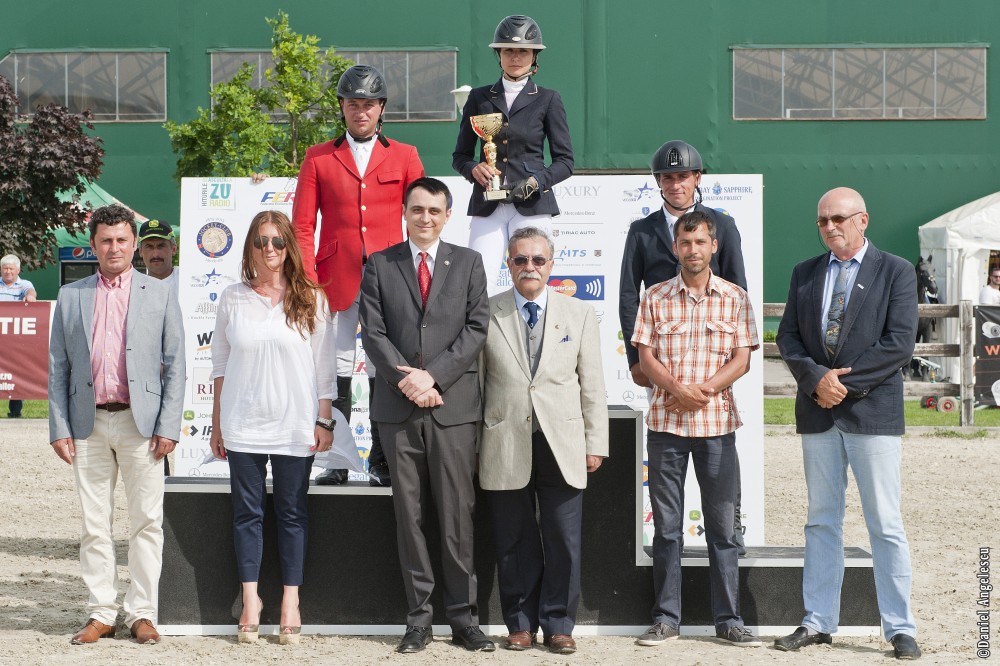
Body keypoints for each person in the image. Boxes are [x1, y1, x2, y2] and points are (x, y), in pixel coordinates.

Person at [775, 187, 921, 660]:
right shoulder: (804, 273)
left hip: (872, 414)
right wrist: (815, 380)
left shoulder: (895, 271)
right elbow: (788, 338)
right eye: (822, 220)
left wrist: (840, 385)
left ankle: (899, 628)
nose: (830, 227)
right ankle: (817, 622)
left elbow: (899, 343)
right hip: (818, 413)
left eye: (838, 218)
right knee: (821, 521)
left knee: (885, 523)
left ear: (863, 220)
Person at [359, 177, 492, 654]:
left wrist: (432, 378)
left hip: (452, 409)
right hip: (398, 411)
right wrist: (409, 383)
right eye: (417, 209)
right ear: (404, 212)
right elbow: (373, 333)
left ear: (447, 216)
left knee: (457, 518)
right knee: (409, 518)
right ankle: (419, 620)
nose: (425, 218)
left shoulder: (469, 263)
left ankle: (463, 619)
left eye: (434, 211)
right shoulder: (380, 264)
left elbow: (477, 328)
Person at [48, 203, 185, 645]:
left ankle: (142, 613)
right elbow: (59, 365)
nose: (114, 247)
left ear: (134, 245)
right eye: (106, 240)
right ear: (93, 245)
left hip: (142, 425)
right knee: (94, 524)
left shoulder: (159, 293)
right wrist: (59, 426)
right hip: (87, 425)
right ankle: (102, 612)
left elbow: (176, 364)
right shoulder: (72, 296)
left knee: (146, 522)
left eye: (122, 239)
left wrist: (168, 425)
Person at [631, 210, 761, 648]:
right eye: (685, 243)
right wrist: (676, 390)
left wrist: (700, 392)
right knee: (667, 528)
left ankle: (729, 620)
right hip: (666, 427)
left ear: (714, 246)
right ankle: (666, 619)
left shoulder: (736, 298)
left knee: (722, 529)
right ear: (675, 247)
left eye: (700, 242)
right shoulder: (654, 297)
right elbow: (645, 358)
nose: (693, 250)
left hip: (716, 426)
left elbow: (742, 359)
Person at [293, 64, 424, 487]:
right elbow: (302, 226)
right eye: (353, 103)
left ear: (381, 107)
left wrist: (417, 273)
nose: (360, 111)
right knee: (336, 368)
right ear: (342, 108)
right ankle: (336, 458)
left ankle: (382, 459)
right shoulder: (317, 157)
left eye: (368, 104)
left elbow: (421, 218)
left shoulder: (405, 155)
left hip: (391, 277)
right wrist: (309, 281)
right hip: (335, 279)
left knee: (384, 367)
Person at [478, 227, 608, 654]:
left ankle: (558, 625)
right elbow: (477, 384)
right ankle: (519, 624)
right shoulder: (487, 311)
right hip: (504, 441)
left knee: (563, 539)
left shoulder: (579, 313)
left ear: (551, 265)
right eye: (520, 260)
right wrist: (475, 444)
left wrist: (596, 441)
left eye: (538, 260)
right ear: (509, 264)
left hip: (563, 443)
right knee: (512, 539)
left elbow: (592, 384)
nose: (529, 267)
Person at [209, 210, 336, 645]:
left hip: (294, 424)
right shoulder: (232, 297)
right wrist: (217, 423)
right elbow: (220, 365)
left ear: (289, 247)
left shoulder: (312, 298)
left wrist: (324, 419)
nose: (270, 249)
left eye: (278, 241)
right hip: (242, 424)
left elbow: (324, 368)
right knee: (246, 514)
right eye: (262, 240)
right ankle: (251, 600)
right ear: (250, 246)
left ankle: (290, 601)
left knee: (292, 513)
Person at [619, 139, 750, 554]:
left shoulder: (722, 226)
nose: (676, 184)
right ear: (659, 182)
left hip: (712, 359)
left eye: (683, 176)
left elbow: (737, 290)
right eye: (668, 177)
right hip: (660, 360)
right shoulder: (641, 231)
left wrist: (727, 367)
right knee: (667, 444)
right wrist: (636, 361)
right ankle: (665, 531)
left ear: (697, 178)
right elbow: (628, 295)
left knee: (719, 442)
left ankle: (733, 521)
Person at [452, 14, 573, 296]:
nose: (515, 57)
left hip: (533, 204)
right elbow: (460, 156)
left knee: (532, 281)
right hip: (487, 203)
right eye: (508, 50)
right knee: (478, 285)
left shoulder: (548, 99)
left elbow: (566, 162)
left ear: (534, 56)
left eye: (523, 51)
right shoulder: (478, 97)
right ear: (499, 55)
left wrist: (536, 182)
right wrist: (473, 169)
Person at [1, 253, 36, 418]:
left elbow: (30, 292)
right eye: (5, 268)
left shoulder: (25, 284)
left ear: (18, 270)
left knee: (15, 373)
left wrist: (30, 297)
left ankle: (15, 412)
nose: (8, 271)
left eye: (11, 268)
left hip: (15, 339)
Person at [137, 220, 179, 296]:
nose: (155, 254)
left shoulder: (187, 280)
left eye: (161, 246)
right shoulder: (133, 289)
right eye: (149, 247)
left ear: (173, 249)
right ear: (140, 251)